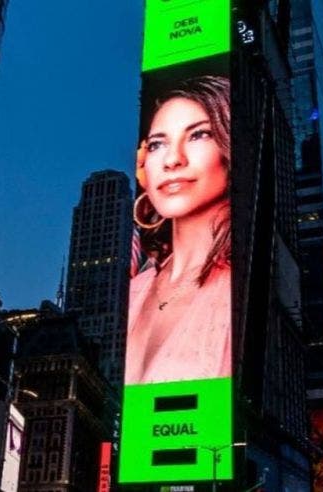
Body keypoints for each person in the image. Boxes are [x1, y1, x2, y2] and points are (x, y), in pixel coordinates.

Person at [124, 76, 231, 385]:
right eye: (158, 144)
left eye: (198, 135)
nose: (172, 160)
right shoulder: (133, 290)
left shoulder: (241, 284)